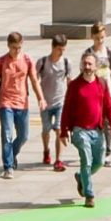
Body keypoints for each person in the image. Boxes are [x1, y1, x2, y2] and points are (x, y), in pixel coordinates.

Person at [61, 51, 111, 206]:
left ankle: (81, 177)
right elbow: (67, 109)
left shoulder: (101, 84)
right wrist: (64, 131)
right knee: (86, 159)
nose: (87, 67)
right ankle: (89, 194)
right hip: (80, 130)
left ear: (96, 66)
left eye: (90, 64)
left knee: (99, 161)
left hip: (97, 130)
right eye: (84, 63)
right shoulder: (74, 86)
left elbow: (108, 107)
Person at [0, 31, 40, 179]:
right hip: (5, 102)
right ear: (8, 46)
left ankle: (12, 154)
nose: (16, 51)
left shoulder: (27, 60)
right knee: (7, 134)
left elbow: (34, 81)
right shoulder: (0, 62)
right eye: (13, 48)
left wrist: (41, 98)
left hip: (22, 103)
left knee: (24, 136)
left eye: (19, 47)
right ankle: (8, 166)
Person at [35, 35, 76, 171]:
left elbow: (69, 82)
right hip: (46, 103)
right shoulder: (42, 62)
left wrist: (71, 100)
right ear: (53, 47)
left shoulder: (66, 62)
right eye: (59, 49)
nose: (61, 52)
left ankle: (58, 159)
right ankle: (46, 150)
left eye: (63, 49)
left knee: (59, 129)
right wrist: (40, 98)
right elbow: (35, 81)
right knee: (46, 129)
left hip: (60, 102)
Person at [84, 24, 111, 157]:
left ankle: (107, 151)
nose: (100, 41)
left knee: (107, 121)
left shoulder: (110, 53)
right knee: (95, 121)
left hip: (108, 92)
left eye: (102, 37)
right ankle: (95, 149)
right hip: (93, 94)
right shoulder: (88, 54)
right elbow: (83, 75)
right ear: (92, 37)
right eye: (97, 38)